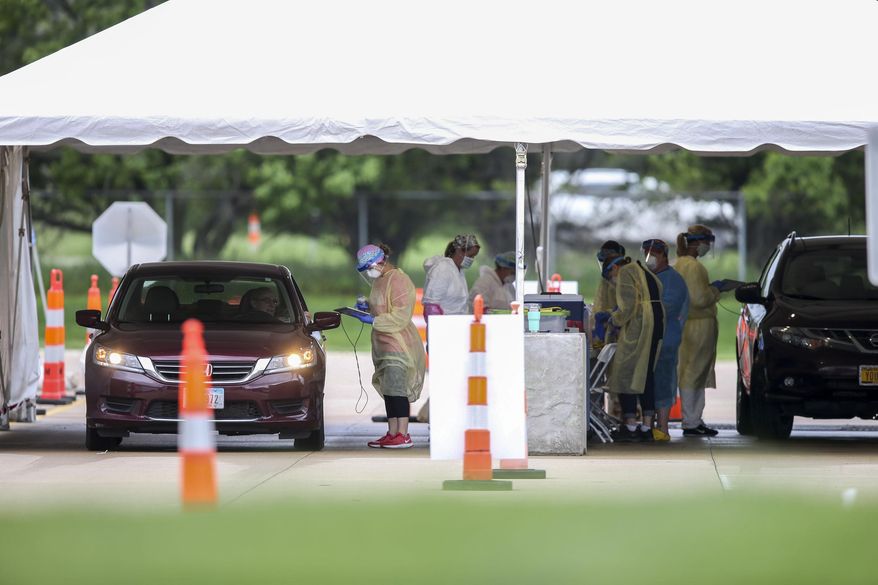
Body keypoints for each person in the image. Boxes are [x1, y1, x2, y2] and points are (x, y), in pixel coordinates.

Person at [355, 243, 427, 449]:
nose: (368, 272)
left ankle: (403, 434)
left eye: (369, 267)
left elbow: (400, 315)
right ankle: (392, 432)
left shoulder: (400, 280)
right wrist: (365, 307)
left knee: (397, 390)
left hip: (399, 344)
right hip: (383, 344)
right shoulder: (381, 280)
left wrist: (374, 321)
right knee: (388, 390)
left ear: (380, 261)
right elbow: (380, 305)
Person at [605, 254, 665, 443]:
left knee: (626, 371)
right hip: (656, 322)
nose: (612, 280)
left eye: (609, 275)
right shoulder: (642, 269)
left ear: (615, 268)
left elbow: (628, 306)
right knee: (646, 373)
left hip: (640, 325)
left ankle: (630, 425)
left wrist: (613, 319)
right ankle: (647, 426)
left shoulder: (625, 272)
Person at [674, 224, 722, 437]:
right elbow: (699, 298)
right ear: (699, 242)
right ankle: (691, 421)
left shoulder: (681, 264)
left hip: (688, 325)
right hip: (698, 326)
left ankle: (693, 419)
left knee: (692, 372)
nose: (707, 247)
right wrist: (716, 290)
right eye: (706, 243)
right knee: (694, 374)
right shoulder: (693, 267)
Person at [642, 239, 689, 441]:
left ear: (664, 256)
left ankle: (662, 426)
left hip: (666, 339)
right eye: (647, 252)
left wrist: (641, 307)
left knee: (663, 382)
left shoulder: (674, 280)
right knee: (648, 383)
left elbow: (667, 308)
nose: (650, 257)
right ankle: (648, 425)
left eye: (654, 253)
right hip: (647, 339)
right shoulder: (646, 277)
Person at [422, 234, 481, 317]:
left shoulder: (458, 271)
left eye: (474, 256)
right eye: (470, 256)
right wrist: (439, 327)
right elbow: (431, 306)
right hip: (444, 327)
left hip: (456, 325)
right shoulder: (443, 269)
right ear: (459, 250)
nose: (472, 260)